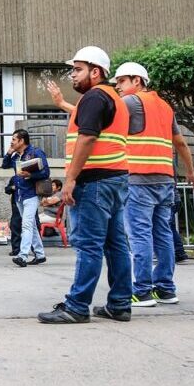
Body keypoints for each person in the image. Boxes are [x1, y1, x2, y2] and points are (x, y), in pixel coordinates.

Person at [38, 47, 131, 324]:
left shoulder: (94, 96)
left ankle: (77, 306)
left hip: (94, 183)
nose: (73, 75)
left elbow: (87, 139)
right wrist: (62, 104)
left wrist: (70, 179)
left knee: (89, 246)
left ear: (96, 71)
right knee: (116, 245)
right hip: (115, 180)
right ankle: (119, 305)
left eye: (78, 69)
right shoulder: (113, 97)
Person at [112, 61, 194, 305]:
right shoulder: (164, 107)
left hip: (139, 179)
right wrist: (190, 172)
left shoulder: (131, 102)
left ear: (136, 81)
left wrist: (65, 106)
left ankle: (141, 291)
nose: (117, 86)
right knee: (163, 234)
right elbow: (180, 143)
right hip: (165, 180)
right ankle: (166, 289)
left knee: (140, 235)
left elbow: (99, 116)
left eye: (121, 81)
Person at [3, 129, 50, 267]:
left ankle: (22, 256)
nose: (11, 142)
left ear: (22, 141)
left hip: (31, 194)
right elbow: (4, 165)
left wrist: (29, 175)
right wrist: (9, 152)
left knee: (27, 225)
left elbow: (46, 172)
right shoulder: (16, 156)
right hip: (19, 195)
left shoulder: (35, 152)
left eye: (14, 139)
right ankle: (40, 254)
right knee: (32, 226)